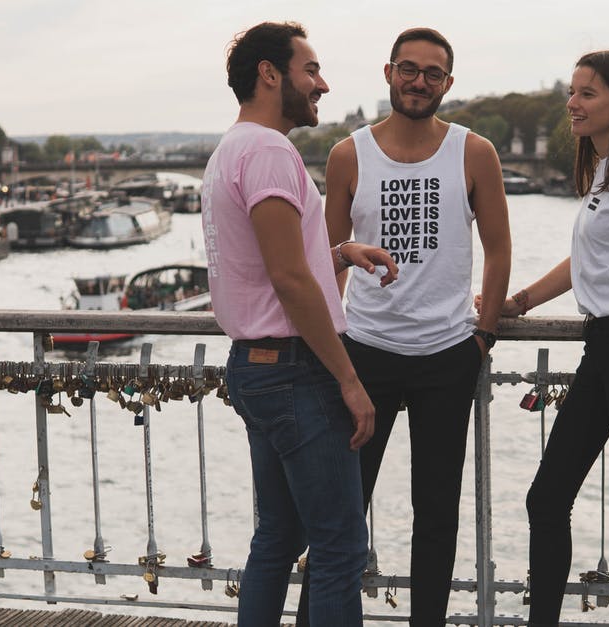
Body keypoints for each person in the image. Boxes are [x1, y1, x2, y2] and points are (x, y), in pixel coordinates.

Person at [297, 26, 512, 627]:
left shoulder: (474, 152)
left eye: (433, 73)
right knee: (342, 508)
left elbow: (498, 248)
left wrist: (484, 335)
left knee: (437, 510)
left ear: (448, 83)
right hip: (366, 351)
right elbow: (326, 260)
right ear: (388, 72)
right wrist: (330, 350)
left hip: (448, 353)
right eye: (409, 69)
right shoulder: (348, 154)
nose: (420, 82)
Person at [202, 21, 398, 627]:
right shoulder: (268, 151)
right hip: (295, 371)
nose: (322, 84)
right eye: (310, 70)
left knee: (277, 539)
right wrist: (348, 379)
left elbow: (269, 263)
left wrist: (338, 254)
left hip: (256, 368)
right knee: (340, 548)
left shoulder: (231, 149)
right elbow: (289, 281)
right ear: (269, 73)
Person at [481, 50, 609, 626]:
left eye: (588, 93)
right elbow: (588, 259)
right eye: (572, 91)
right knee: (552, 500)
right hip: (605, 347)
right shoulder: (604, 169)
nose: (574, 103)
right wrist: (519, 302)